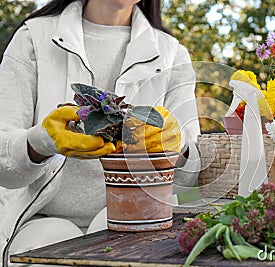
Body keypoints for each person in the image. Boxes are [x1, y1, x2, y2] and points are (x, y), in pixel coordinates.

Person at [0, 0, 201, 265]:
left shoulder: (172, 54)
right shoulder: (33, 39)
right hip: (40, 219)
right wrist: (40, 141)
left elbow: (191, 176)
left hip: (138, 221)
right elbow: (4, 166)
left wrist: (178, 144)